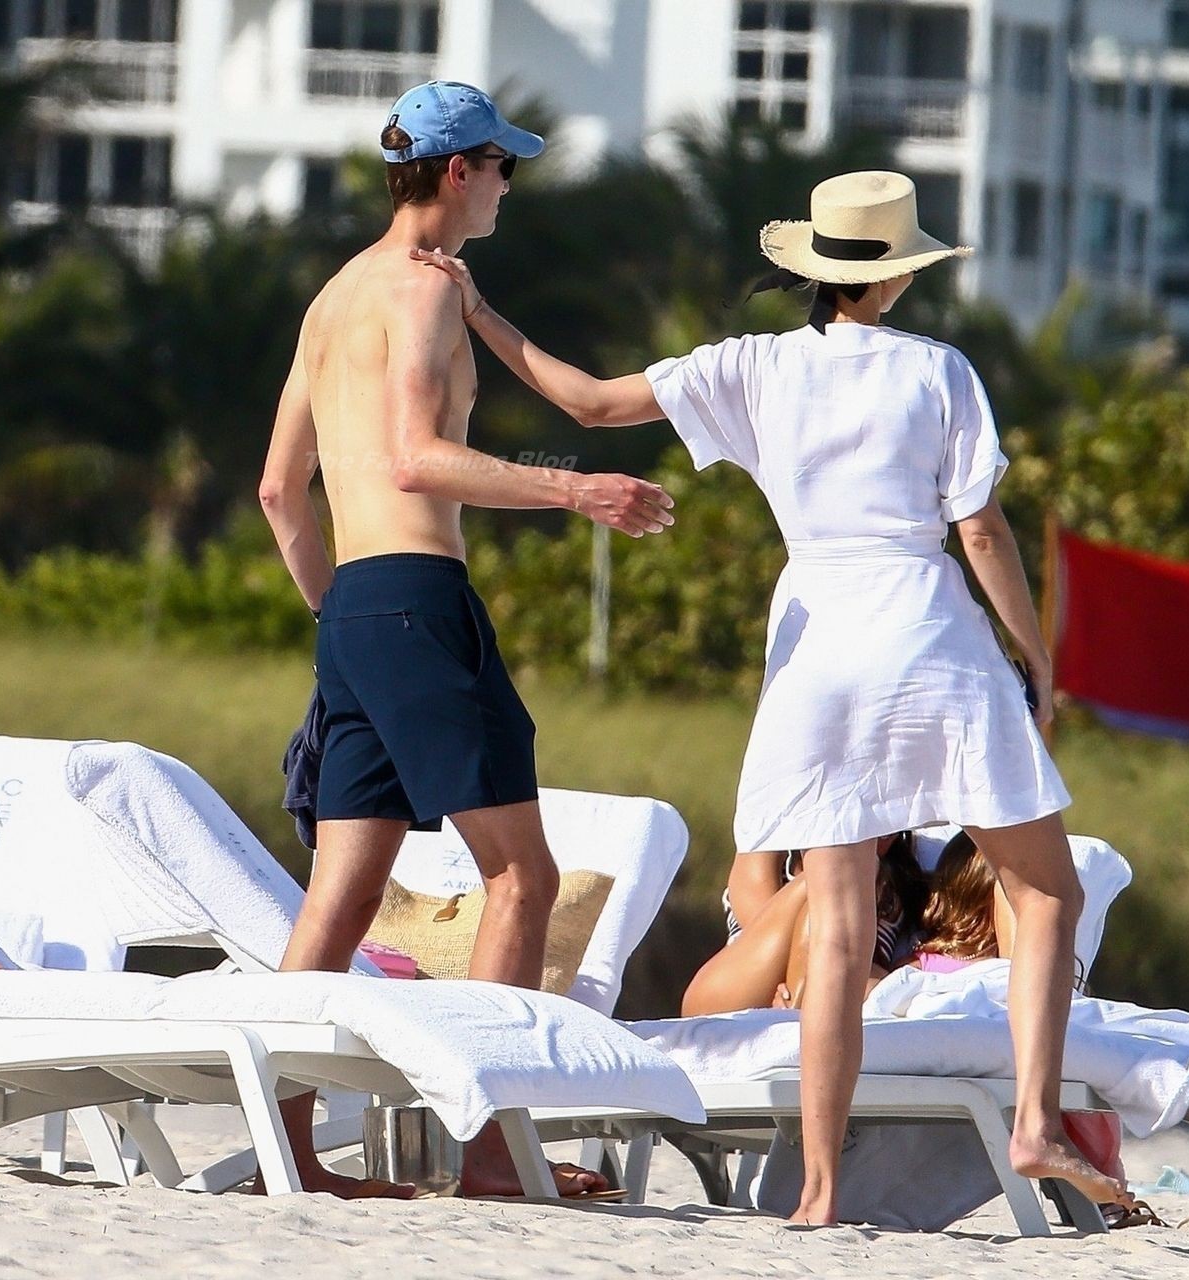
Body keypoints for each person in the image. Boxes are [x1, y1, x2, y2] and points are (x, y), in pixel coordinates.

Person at [416, 170, 1130, 1223]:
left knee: (837, 928)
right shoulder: (940, 370)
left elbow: (589, 403)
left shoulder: (751, 365)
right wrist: (1035, 660)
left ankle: (821, 1191)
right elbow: (979, 531)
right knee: (1048, 891)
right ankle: (1032, 1119)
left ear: (817, 270)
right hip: (929, 634)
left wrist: (480, 311)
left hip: (819, 649)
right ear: (896, 276)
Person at [256, 80, 674, 1199]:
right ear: (458, 171)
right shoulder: (420, 291)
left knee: (340, 894)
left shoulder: (334, 297)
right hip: (418, 599)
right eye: (503, 167)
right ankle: (489, 1155)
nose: (507, 188)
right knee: (522, 875)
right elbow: (414, 457)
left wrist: (341, 619)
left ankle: (289, 1151)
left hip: (355, 610)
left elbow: (279, 492)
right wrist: (576, 489)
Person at [679, 832, 926, 1016]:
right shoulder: (771, 846)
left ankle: (799, 1018)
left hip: (826, 991)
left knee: (847, 871)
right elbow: (762, 922)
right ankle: (800, 1016)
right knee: (840, 871)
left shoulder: (905, 878)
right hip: (732, 992)